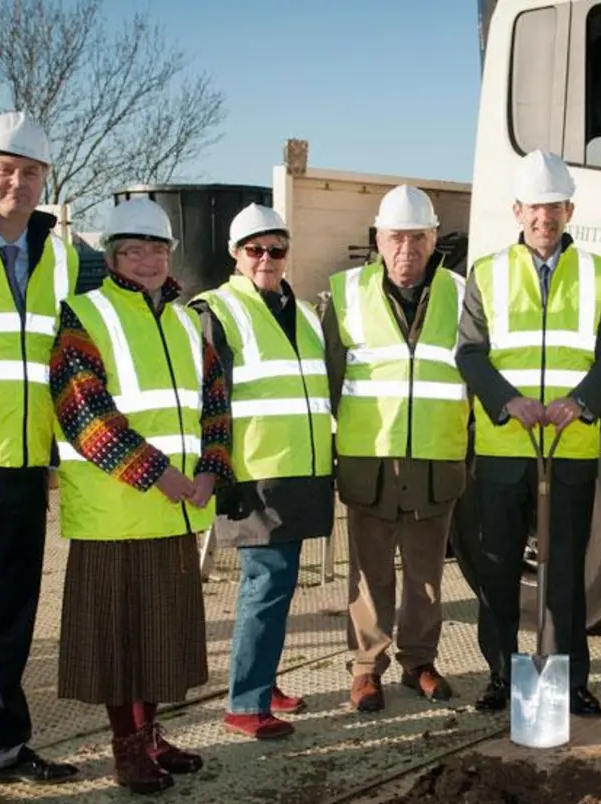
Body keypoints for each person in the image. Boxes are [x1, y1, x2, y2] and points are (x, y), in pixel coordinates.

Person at [51, 198, 233, 793]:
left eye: (157, 249)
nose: (147, 261)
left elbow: (215, 405)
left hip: (174, 509)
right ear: (112, 257)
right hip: (114, 512)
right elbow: (83, 412)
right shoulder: (84, 316)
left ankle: (150, 735)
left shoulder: (187, 322)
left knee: (159, 638)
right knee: (116, 640)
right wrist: (159, 474)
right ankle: (126, 747)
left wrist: (212, 469)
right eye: (133, 250)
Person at [456, 149, 601, 717]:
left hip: (570, 447)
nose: (544, 217)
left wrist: (581, 402)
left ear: (569, 211)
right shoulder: (487, 273)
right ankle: (501, 675)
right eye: (534, 207)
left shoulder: (599, 274)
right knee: (499, 568)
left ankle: (568, 679)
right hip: (504, 448)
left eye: (554, 207)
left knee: (565, 572)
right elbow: (470, 354)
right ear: (517, 211)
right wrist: (508, 402)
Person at [190, 204, 334, 740]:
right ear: (235, 254)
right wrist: (218, 470)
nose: (266, 258)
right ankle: (245, 705)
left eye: (276, 249)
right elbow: (209, 398)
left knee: (279, 585)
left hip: (301, 470)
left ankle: (263, 682)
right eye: (255, 249)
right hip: (254, 475)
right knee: (266, 584)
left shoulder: (305, 313)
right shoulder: (216, 310)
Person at [323, 185, 469, 712]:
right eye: (396, 238)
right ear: (378, 240)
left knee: (427, 573)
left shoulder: (462, 293)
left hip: (435, 457)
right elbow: (329, 379)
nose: (406, 250)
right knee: (370, 573)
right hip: (371, 459)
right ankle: (367, 667)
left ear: (434, 240)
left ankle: (419, 662)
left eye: (417, 238)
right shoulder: (345, 293)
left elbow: (474, 373)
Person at [0, 111, 79, 784]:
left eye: (30, 171)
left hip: (21, 467)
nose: (17, 182)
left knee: (10, 615)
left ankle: (3, 748)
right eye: (4, 169)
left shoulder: (60, 257)